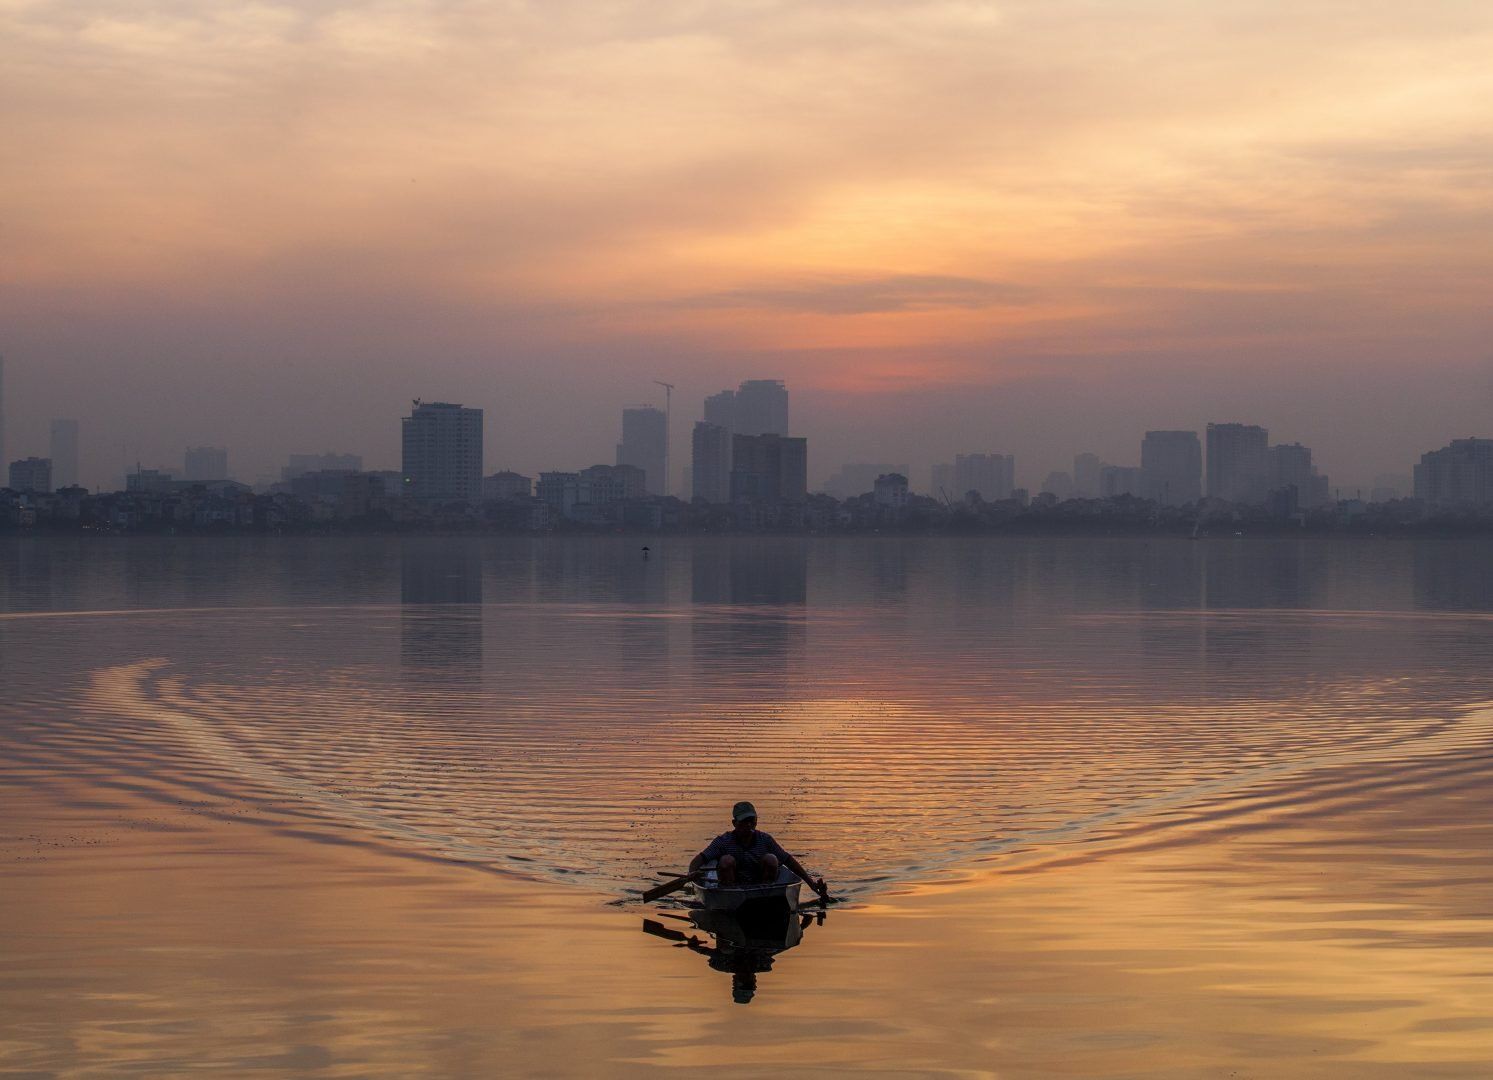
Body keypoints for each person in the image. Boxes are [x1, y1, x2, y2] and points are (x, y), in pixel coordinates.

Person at [689, 801, 828, 899]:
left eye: (751, 820)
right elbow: (699, 859)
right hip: (732, 887)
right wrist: (692, 873)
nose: (749, 825)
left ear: (756, 821)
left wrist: (811, 883)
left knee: (772, 859)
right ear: (734, 823)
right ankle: (729, 894)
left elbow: (788, 860)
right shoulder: (723, 841)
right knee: (726, 860)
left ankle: (767, 893)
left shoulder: (765, 839)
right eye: (744, 821)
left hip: (760, 883)